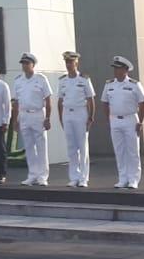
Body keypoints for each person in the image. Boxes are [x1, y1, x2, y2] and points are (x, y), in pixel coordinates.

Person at [101, 55, 144, 189]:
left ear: (126, 70)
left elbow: (143, 103)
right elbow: (104, 102)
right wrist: (108, 118)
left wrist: (141, 121)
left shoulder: (134, 84)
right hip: (115, 119)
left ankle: (133, 179)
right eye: (115, 68)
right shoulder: (109, 84)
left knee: (132, 151)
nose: (116, 71)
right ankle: (123, 178)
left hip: (130, 119)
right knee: (119, 150)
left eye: (119, 68)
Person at [11, 53, 52, 186]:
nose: (24, 66)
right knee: (28, 147)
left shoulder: (41, 79)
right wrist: (15, 119)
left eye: (27, 63)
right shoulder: (18, 80)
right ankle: (32, 175)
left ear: (33, 64)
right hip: (24, 115)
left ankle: (42, 176)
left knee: (41, 146)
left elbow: (48, 99)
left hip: (38, 114)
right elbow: (16, 102)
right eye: (23, 63)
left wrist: (48, 118)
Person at [57, 51, 95, 188]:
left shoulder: (84, 79)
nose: (68, 65)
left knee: (82, 146)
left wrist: (91, 117)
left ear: (76, 63)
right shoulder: (62, 80)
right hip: (68, 113)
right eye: (66, 62)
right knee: (71, 147)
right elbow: (60, 100)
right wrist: (61, 118)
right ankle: (74, 177)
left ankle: (84, 178)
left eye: (71, 62)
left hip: (81, 113)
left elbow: (90, 99)